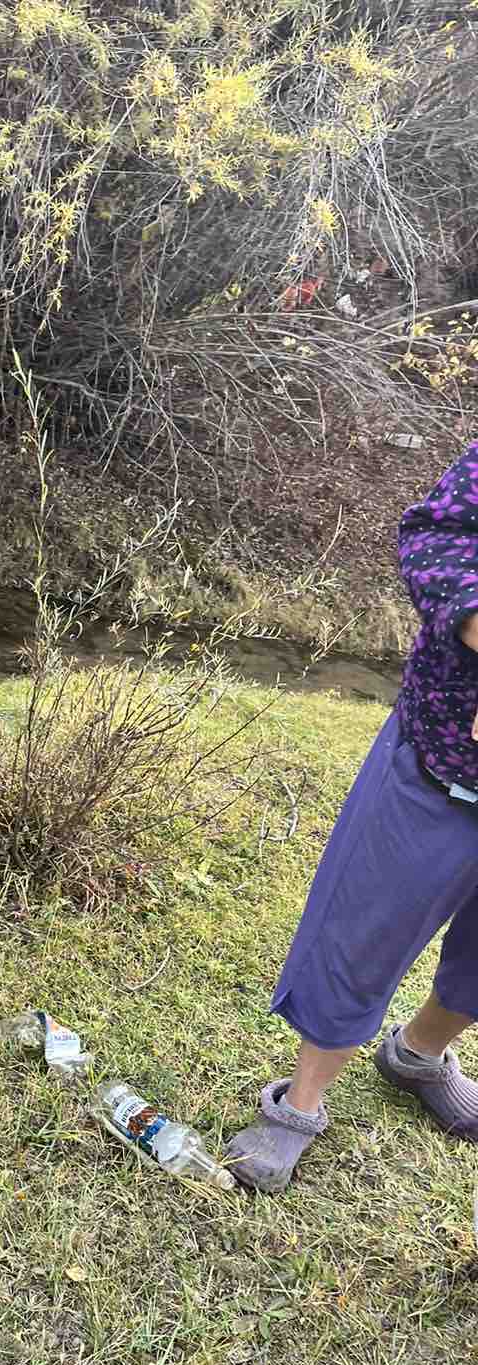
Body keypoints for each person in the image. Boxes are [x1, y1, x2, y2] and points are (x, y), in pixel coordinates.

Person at [227, 440, 478, 1192]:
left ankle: (417, 1055)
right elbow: (437, 539)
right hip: (440, 766)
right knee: (363, 933)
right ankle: (299, 1107)